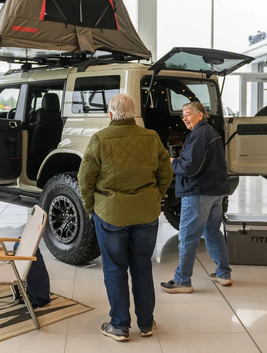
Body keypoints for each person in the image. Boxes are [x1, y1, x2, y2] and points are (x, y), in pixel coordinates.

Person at [78, 93, 173, 342]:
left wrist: (91, 207)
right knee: (142, 266)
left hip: (110, 214)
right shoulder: (151, 138)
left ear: (110, 114)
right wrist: (154, 196)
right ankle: (146, 324)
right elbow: (166, 172)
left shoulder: (99, 139)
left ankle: (119, 326)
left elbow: (85, 179)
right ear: (133, 114)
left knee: (114, 268)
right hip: (145, 212)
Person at [161, 101, 232, 294]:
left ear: (200, 115)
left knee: (188, 237)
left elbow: (191, 167)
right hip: (216, 191)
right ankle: (223, 274)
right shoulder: (211, 132)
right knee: (212, 232)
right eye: (183, 115)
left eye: (188, 114)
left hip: (199, 192)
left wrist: (174, 163)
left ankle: (182, 281)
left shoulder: (199, 135)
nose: (184, 118)